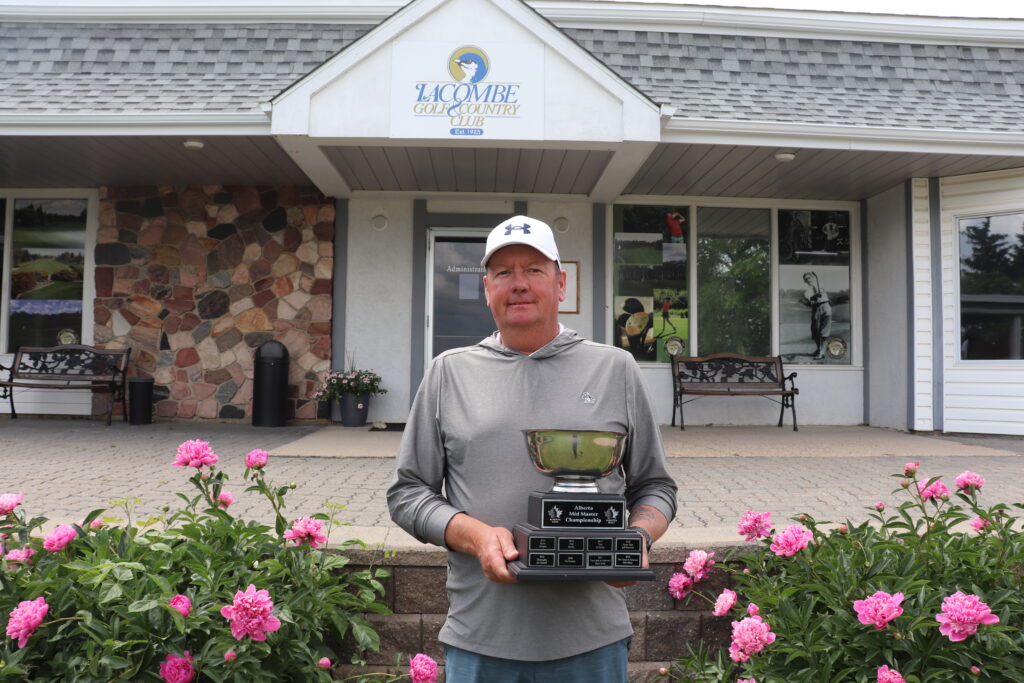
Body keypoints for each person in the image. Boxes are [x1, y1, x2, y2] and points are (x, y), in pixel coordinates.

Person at [388, 215, 677, 683]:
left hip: (591, 641)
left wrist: (634, 542)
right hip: (481, 638)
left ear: (561, 284)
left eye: (534, 270)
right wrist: (475, 535)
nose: (518, 284)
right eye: (503, 273)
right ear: (487, 289)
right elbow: (408, 494)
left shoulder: (615, 368)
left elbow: (656, 487)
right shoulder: (449, 373)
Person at [800, 271, 832, 359]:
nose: (808, 280)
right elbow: (810, 299)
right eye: (806, 279)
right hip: (816, 308)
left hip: (825, 306)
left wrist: (818, 292)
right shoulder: (806, 291)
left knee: (824, 331)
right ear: (804, 281)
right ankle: (819, 349)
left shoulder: (820, 284)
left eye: (809, 278)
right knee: (815, 330)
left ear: (812, 278)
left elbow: (822, 292)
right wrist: (815, 295)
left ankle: (821, 352)